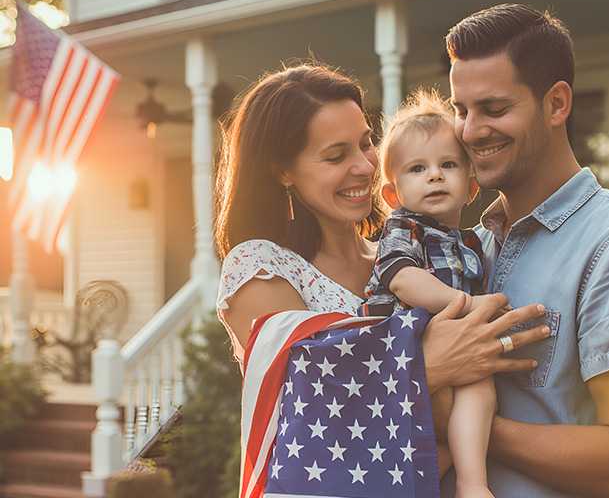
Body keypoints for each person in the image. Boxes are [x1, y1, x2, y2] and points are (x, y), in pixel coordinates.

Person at [213, 63, 551, 484]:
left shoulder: (402, 259)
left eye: (366, 142)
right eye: (336, 156)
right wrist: (434, 362)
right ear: (283, 170)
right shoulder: (261, 267)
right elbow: (312, 402)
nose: (365, 166)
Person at [438, 4, 609, 498]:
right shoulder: (469, 249)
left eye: (494, 109)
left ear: (556, 104)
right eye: (460, 109)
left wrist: (461, 421)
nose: (470, 131)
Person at [358, 89, 497, 498]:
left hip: (448, 348)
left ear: (471, 187)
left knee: (478, 388)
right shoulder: (404, 228)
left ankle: (472, 485)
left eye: (448, 165)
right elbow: (403, 279)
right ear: (392, 194)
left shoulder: (471, 242)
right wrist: (468, 306)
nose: (435, 175)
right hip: (399, 347)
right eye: (418, 168)